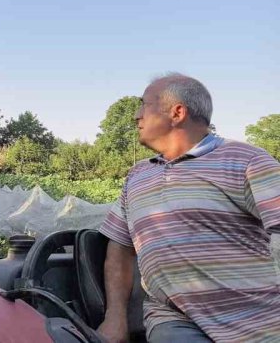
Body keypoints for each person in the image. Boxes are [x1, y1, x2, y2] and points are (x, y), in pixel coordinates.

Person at [96, 73, 280, 343]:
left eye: (144, 105)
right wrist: (115, 317)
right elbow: (120, 248)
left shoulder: (246, 161)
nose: (136, 115)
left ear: (177, 112)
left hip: (254, 318)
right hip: (173, 319)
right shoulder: (137, 176)